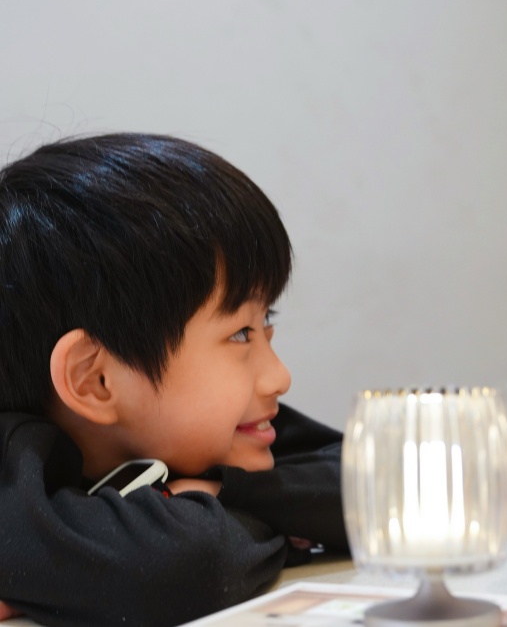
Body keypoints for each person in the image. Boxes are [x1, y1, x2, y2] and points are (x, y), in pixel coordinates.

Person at [0, 133, 348, 625]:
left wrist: (219, 494)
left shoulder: (210, 437)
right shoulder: (12, 469)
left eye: (266, 323)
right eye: (240, 336)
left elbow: (387, 485)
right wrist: (225, 516)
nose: (278, 377)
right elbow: (191, 564)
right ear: (95, 379)